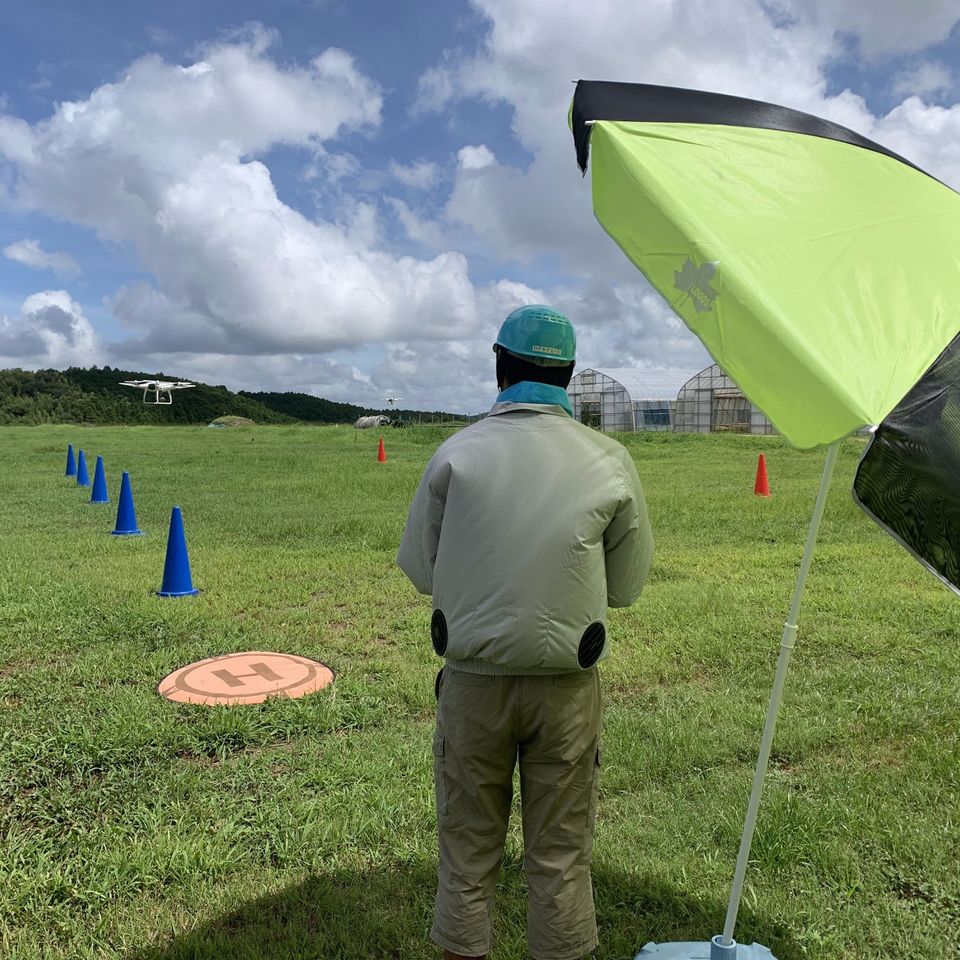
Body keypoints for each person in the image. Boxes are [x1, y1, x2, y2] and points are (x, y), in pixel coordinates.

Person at [397, 304, 653, 960]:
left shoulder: (456, 453)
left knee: (467, 858)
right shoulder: (611, 459)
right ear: (567, 374)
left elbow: (422, 573)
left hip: (472, 685)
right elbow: (625, 588)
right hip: (567, 691)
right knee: (561, 860)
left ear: (500, 365)